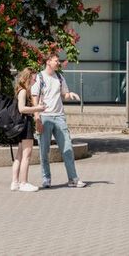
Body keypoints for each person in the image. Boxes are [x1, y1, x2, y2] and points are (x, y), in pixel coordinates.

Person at [31, 53, 86, 189]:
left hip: (59, 117)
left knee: (67, 148)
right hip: (45, 117)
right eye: (56, 61)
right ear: (48, 62)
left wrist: (70, 94)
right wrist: (37, 118)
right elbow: (34, 98)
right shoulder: (39, 77)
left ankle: (73, 179)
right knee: (44, 151)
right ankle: (46, 179)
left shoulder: (60, 77)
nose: (58, 63)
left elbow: (64, 94)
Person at [10, 68, 45, 192]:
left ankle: (15, 182)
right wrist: (38, 108)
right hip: (25, 125)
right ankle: (24, 182)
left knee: (19, 155)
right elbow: (21, 109)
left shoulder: (21, 90)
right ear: (28, 77)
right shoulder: (24, 91)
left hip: (21, 125)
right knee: (27, 155)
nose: (35, 81)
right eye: (34, 78)